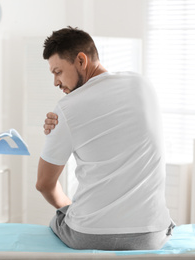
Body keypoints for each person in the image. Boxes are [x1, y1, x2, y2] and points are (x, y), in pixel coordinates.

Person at [36, 26, 175, 251]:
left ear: (81, 60)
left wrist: (68, 208)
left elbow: (43, 184)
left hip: (89, 235)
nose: (55, 82)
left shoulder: (66, 108)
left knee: (59, 218)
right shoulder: (143, 85)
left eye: (58, 72)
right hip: (153, 235)